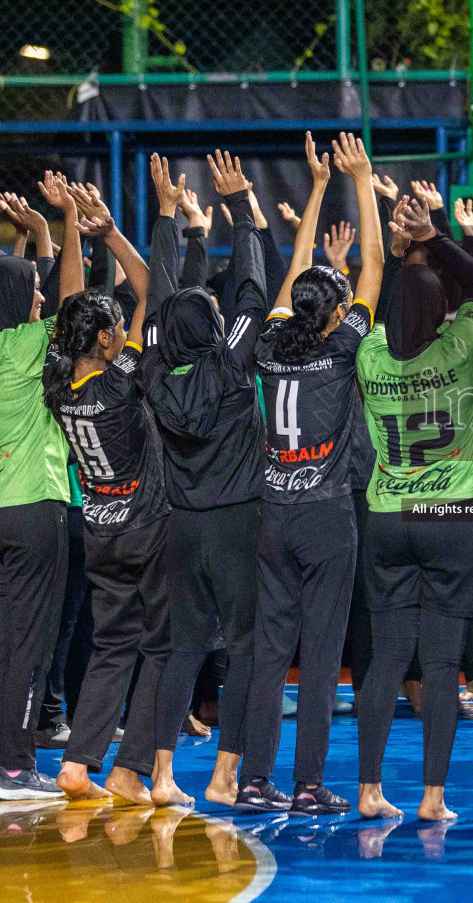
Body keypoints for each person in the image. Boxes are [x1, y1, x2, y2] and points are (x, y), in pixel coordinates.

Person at [244, 133, 384, 816]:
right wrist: (359, 180)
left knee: (271, 650)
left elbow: (298, 272)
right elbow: (376, 267)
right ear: (336, 312)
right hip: (328, 514)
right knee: (322, 657)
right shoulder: (343, 349)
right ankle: (306, 785)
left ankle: (253, 778)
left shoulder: (270, 347)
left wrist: (318, 184)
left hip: (274, 514)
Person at [354, 194, 473, 822]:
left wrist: (391, 243)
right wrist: (434, 237)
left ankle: (370, 790)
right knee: (441, 663)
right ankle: (433, 796)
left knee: (385, 658)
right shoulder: (458, 344)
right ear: (440, 311)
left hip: (387, 514)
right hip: (452, 518)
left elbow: (377, 304)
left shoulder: (372, 355)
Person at [142, 152, 269, 810]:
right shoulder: (229, 364)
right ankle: (224, 775)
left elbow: (159, 299)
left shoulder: (156, 371)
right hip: (237, 521)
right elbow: (252, 291)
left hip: (180, 524)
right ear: (214, 333)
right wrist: (241, 207)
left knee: (179, 648)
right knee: (244, 648)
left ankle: (160, 775)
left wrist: (167, 219)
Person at [0, 171, 83, 802]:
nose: (38, 300)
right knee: (30, 645)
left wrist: (30, 239)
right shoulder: (29, 347)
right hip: (31, 504)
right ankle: (14, 766)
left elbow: (11, 290)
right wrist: (69, 226)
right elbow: (72, 300)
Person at [43, 180, 169, 805]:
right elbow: (153, 292)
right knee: (164, 644)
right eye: (116, 327)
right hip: (145, 527)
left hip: (97, 526)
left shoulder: (58, 381)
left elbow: (69, 304)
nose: (124, 330)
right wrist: (111, 235)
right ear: (105, 341)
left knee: (112, 647)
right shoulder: (121, 380)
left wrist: (70, 225)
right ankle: (128, 768)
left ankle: (76, 763)